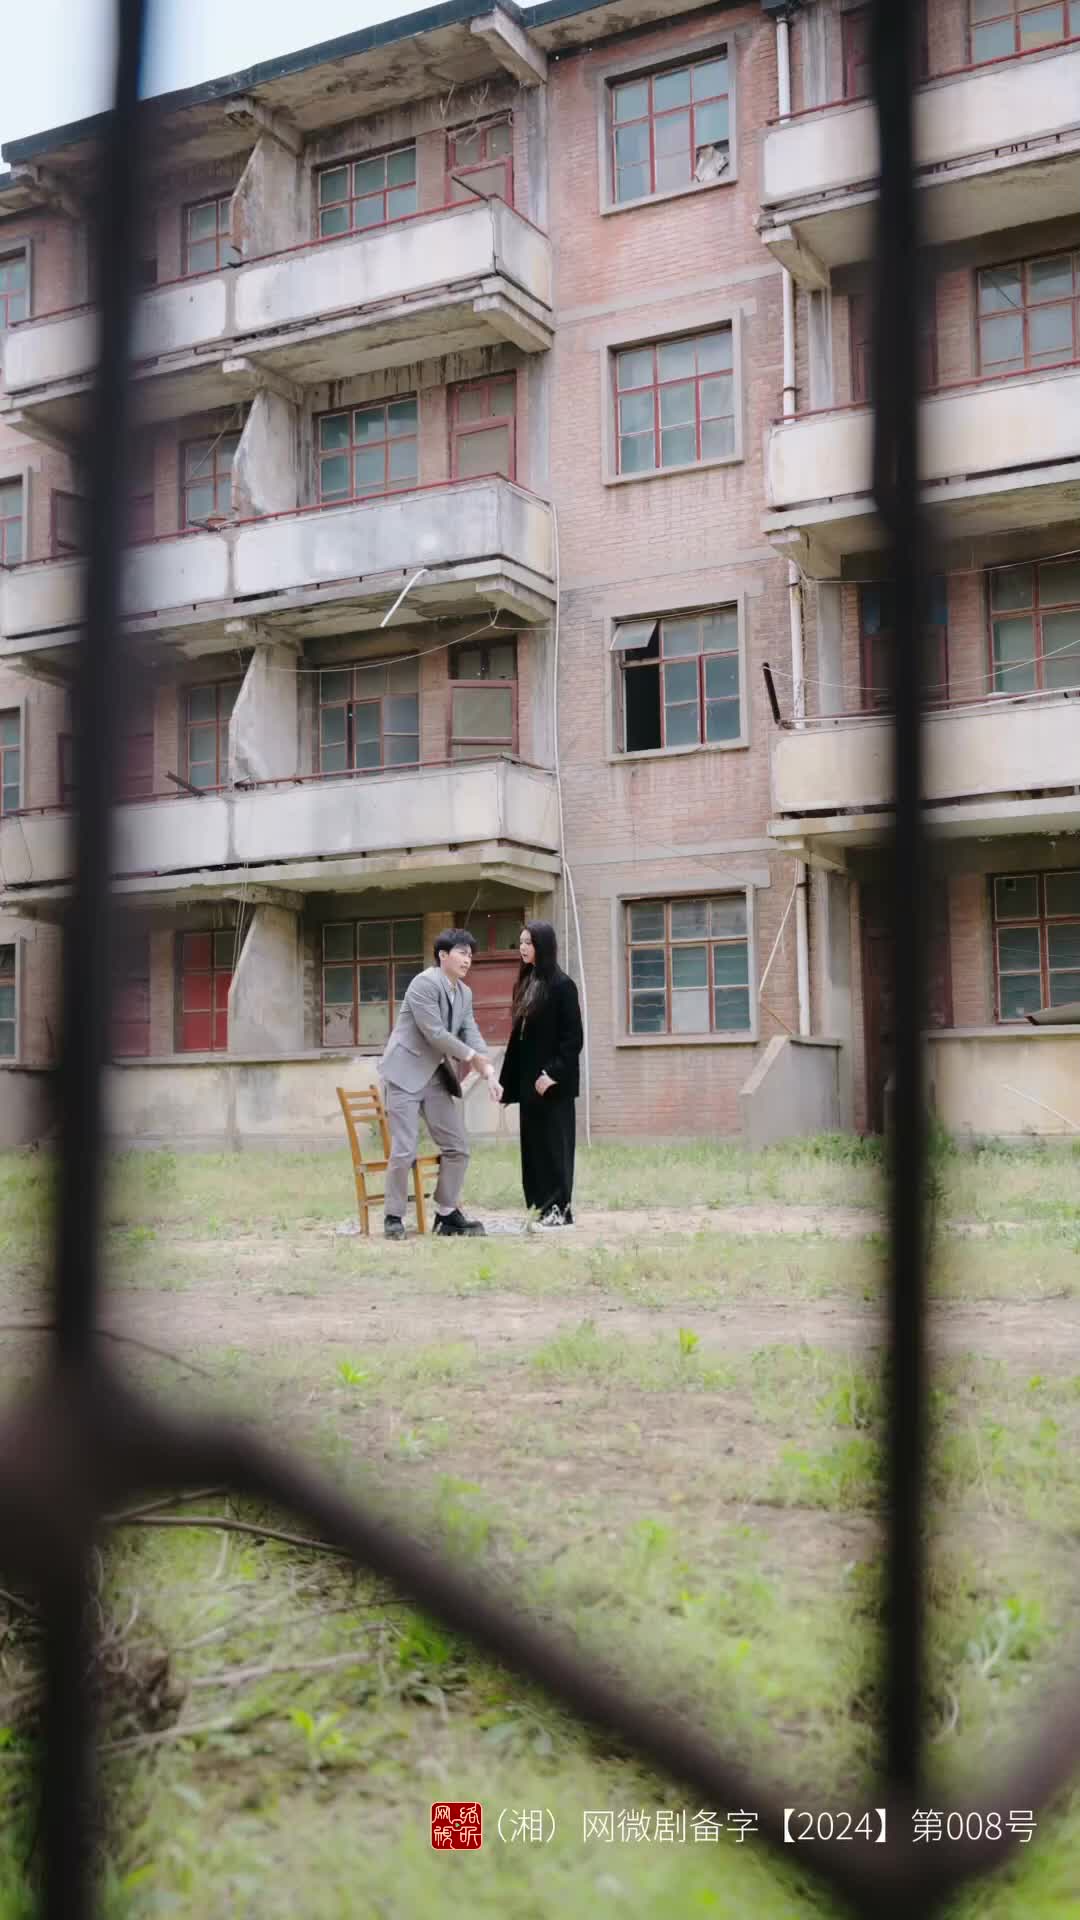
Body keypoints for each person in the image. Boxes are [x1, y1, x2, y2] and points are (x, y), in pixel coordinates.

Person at [379, 928, 499, 1240]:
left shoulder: (464, 993)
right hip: (404, 1075)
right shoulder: (423, 984)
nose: (467, 960)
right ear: (443, 955)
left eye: (470, 955)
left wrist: (488, 1071)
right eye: (461, 953)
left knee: (458, 1146)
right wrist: (472, 1057)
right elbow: (435, 1033)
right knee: (404, 1148)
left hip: (434, 1077)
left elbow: (470, 1031)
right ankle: (393, 1216)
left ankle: (446, 1214)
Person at [496, 921, 583, 1227]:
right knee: (533, 1151)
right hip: (529, 1085)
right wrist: (509, 1084)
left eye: (528, 942)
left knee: (555, 1149)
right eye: (521, 942)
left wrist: (552, 1074)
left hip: (553, 1085)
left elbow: (573, 1039)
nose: (522, 948)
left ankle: (559, 1210)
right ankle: (538, 1208)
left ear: (543, 946)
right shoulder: (525, 983)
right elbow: (519, 1040)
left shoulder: (562, 985)